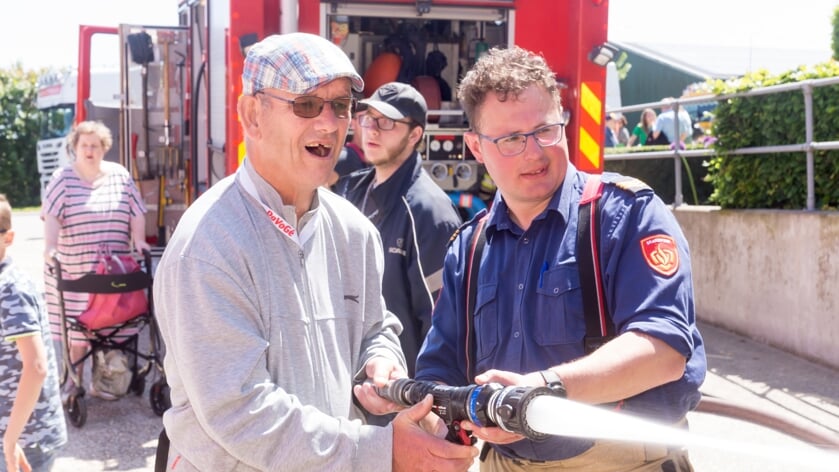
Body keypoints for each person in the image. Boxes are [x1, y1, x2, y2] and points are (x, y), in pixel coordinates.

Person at [153, 32, 477, 471]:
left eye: (341, 105)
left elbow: (375, 329)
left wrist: (380, 362)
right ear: (252, 115)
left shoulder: (353, 231)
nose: (329, 123)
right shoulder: (209, 244)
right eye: (306, 104)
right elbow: (240, 412)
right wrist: (383, 452)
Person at [415, 45, 706, 471]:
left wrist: (545, 389)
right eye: (512, 139)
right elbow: (440, 370)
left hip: (620, 461)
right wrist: (435, 423)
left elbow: (663, 349)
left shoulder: (626, 215)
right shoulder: (469, 247)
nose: (534, 152)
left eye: (546, 130)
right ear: (475, 147)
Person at [336, 81, 463, 378]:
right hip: (352, 381)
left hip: (397, 393)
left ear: (415, 134)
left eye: (388, 122)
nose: (373, 130)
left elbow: (443, 324)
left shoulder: (428, 214)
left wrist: (426, 400)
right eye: (368, 118)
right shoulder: (351, 191)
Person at [41, 120, 151, 402]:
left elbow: (136, 210)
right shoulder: (62, 179)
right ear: (75, 148)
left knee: (116, 322)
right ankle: (73, 381)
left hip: (114, 270)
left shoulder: (119, 175)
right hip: (76, 271)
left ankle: (111, 377)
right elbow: (52, 216)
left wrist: (139, 240)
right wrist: (50, 247)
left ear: (104, 149)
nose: (89, 150)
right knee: (78, 333)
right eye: (84, 145)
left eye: (95, 145)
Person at [1, 195, 68, 472]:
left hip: (26, 439)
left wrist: (10, 439)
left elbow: (36, 367)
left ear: (8, 238)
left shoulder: (10, 289)